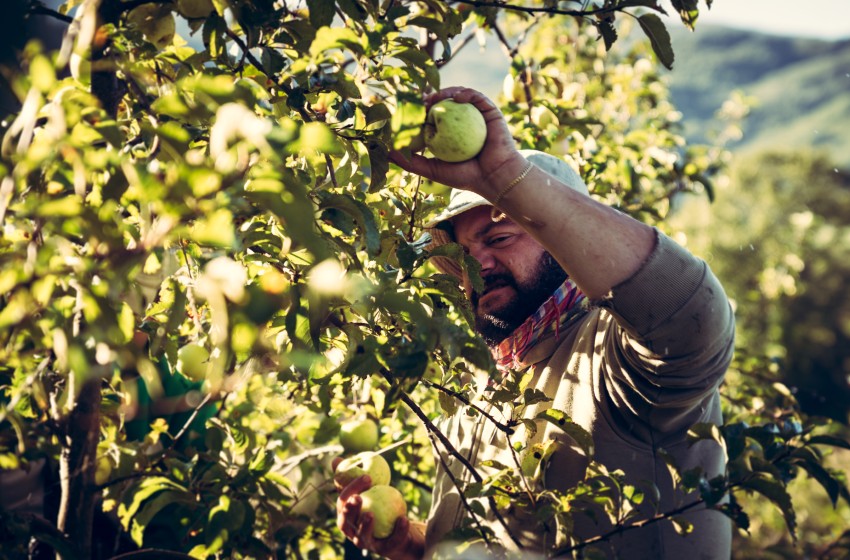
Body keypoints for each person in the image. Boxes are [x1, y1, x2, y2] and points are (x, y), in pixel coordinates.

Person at [334, 87, 735, 559]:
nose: (476, 265)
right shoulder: (481, 387)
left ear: (565, 239)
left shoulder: (618, 358)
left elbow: (691, 313)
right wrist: (409, 544)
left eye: (499, 236)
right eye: (462, 253)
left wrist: (505, 177)